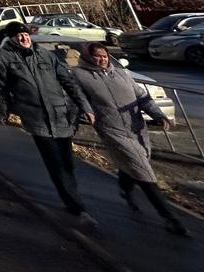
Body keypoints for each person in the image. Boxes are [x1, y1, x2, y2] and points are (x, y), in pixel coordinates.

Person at [72, 42, 189, 236]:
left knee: (138, 161)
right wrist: (83, 115)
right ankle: (170, 218)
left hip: (136, 127)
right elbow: (79, 99)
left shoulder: (121, 73)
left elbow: (142, 97)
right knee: (143, 170)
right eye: (96, 56)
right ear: (87, 57)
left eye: (104, 56)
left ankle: (125, 187)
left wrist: (158, 115)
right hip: (112, 129)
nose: (101, 60)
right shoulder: (79, 75)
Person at [0, 21, 96, 222]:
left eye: (25, 34)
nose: (24, 38)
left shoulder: (45, 55)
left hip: (60, 114)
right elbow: (2, 87)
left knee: (67, 163)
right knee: (55, 162)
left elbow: (68, 82)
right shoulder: (4, 57)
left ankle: (71, 196)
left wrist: (85, 107)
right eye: (18, 36)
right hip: (36, 117)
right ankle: (76, 206)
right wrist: (4, 111)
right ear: (11, 38)